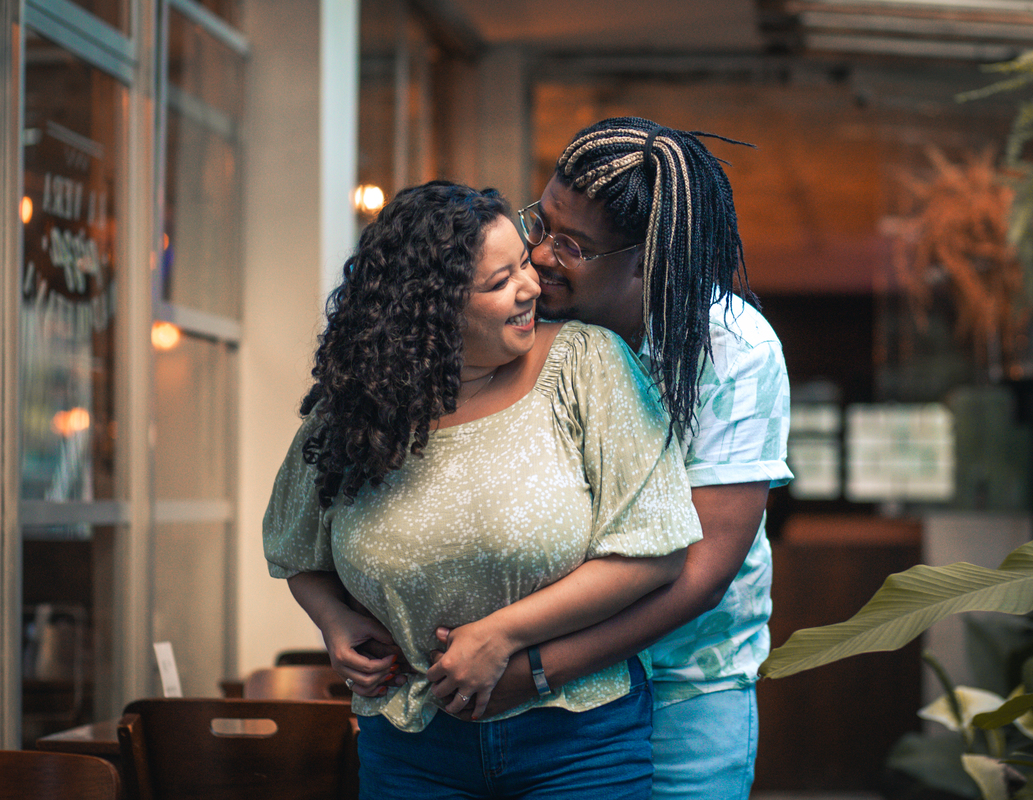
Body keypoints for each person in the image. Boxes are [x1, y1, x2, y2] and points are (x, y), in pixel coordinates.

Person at [263, 180, 703, 799]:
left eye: (523, 262)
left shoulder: (587, 363)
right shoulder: (353, 413)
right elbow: (296, 549)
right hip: (409, 739)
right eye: (500, 283)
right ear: (430, 309)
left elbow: (656, 552)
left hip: (576, 739)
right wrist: (334, 620)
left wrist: (503, 635)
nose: (532, 286)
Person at [441, 118, 794, 800]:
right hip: (533, 692)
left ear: (649, 259)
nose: (539, 256)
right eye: (539, 224)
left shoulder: (733, 351)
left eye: (571, 246)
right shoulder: (531, 326)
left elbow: (702, 571)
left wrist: (537, 666)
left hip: (680, 690)